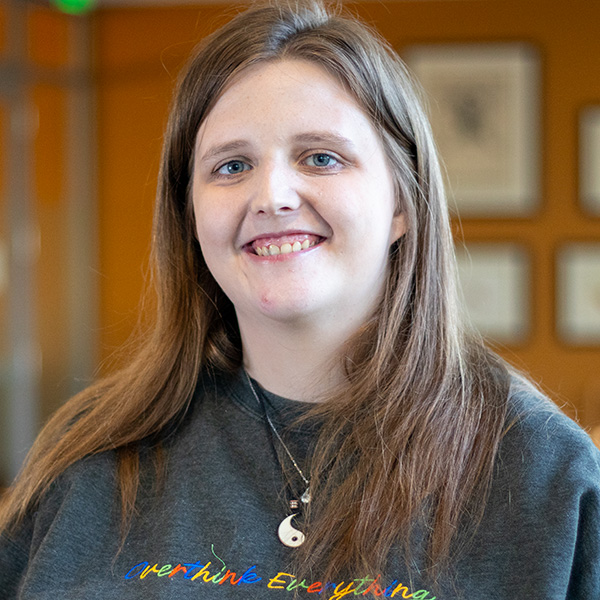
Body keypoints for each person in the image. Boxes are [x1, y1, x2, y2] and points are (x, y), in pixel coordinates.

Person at [1, 1, 599, 598]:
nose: (272, 195)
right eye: (231, 166)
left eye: (321, 157)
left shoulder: (544, 473)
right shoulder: (89, 452)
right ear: (189, 213)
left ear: (401, 203)